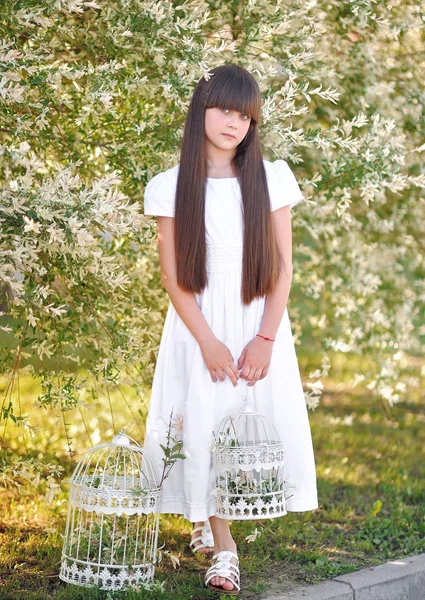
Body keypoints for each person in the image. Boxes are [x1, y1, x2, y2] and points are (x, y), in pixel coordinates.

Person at [142, 63, 318, 595]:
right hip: (201, 326)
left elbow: (284, 267)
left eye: (244, 114)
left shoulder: (273, 178)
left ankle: (206, 519)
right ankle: (225, 548)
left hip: (255, 320)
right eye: (223, 109)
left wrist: (264, 338)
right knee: (204, 421)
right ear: (201, 111)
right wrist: (209, 341)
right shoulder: (170, 187)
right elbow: (173, 277)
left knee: (242, 429)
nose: (233, 122)